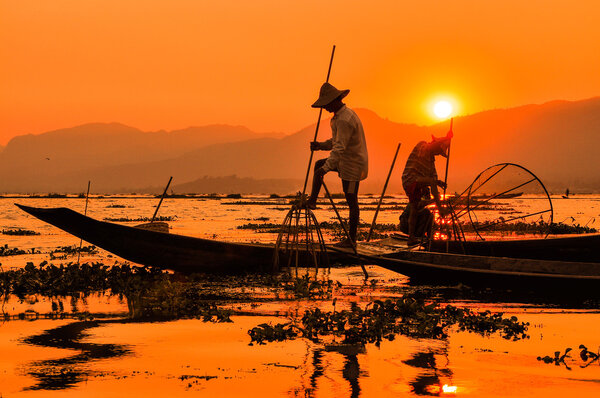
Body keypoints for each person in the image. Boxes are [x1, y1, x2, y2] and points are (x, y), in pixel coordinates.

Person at [306, 82, 368, 247]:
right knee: (319, 164)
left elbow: (339, 148)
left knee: (351, 200)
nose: (325, 108)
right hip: (344, 161)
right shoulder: (340, 117)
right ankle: (313, 200)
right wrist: (320, 145)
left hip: (353, 165)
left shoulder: (344, 120)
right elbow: (336, 142)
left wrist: (325, 169)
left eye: (326, 104)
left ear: (334, 100)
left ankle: (352, 240)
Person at [401, 132, 452, 246]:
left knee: (414, 209)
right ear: (436, 146)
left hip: (417, 182)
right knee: (429, 185)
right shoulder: (423, 145)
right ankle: (440, 209)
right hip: (410, 178)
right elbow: (431, 180)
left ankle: (412, 238)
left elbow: (433, 176)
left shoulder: (431, 160)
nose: (438, 154)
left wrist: (439, 182)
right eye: (438, 151)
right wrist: (447, 138)